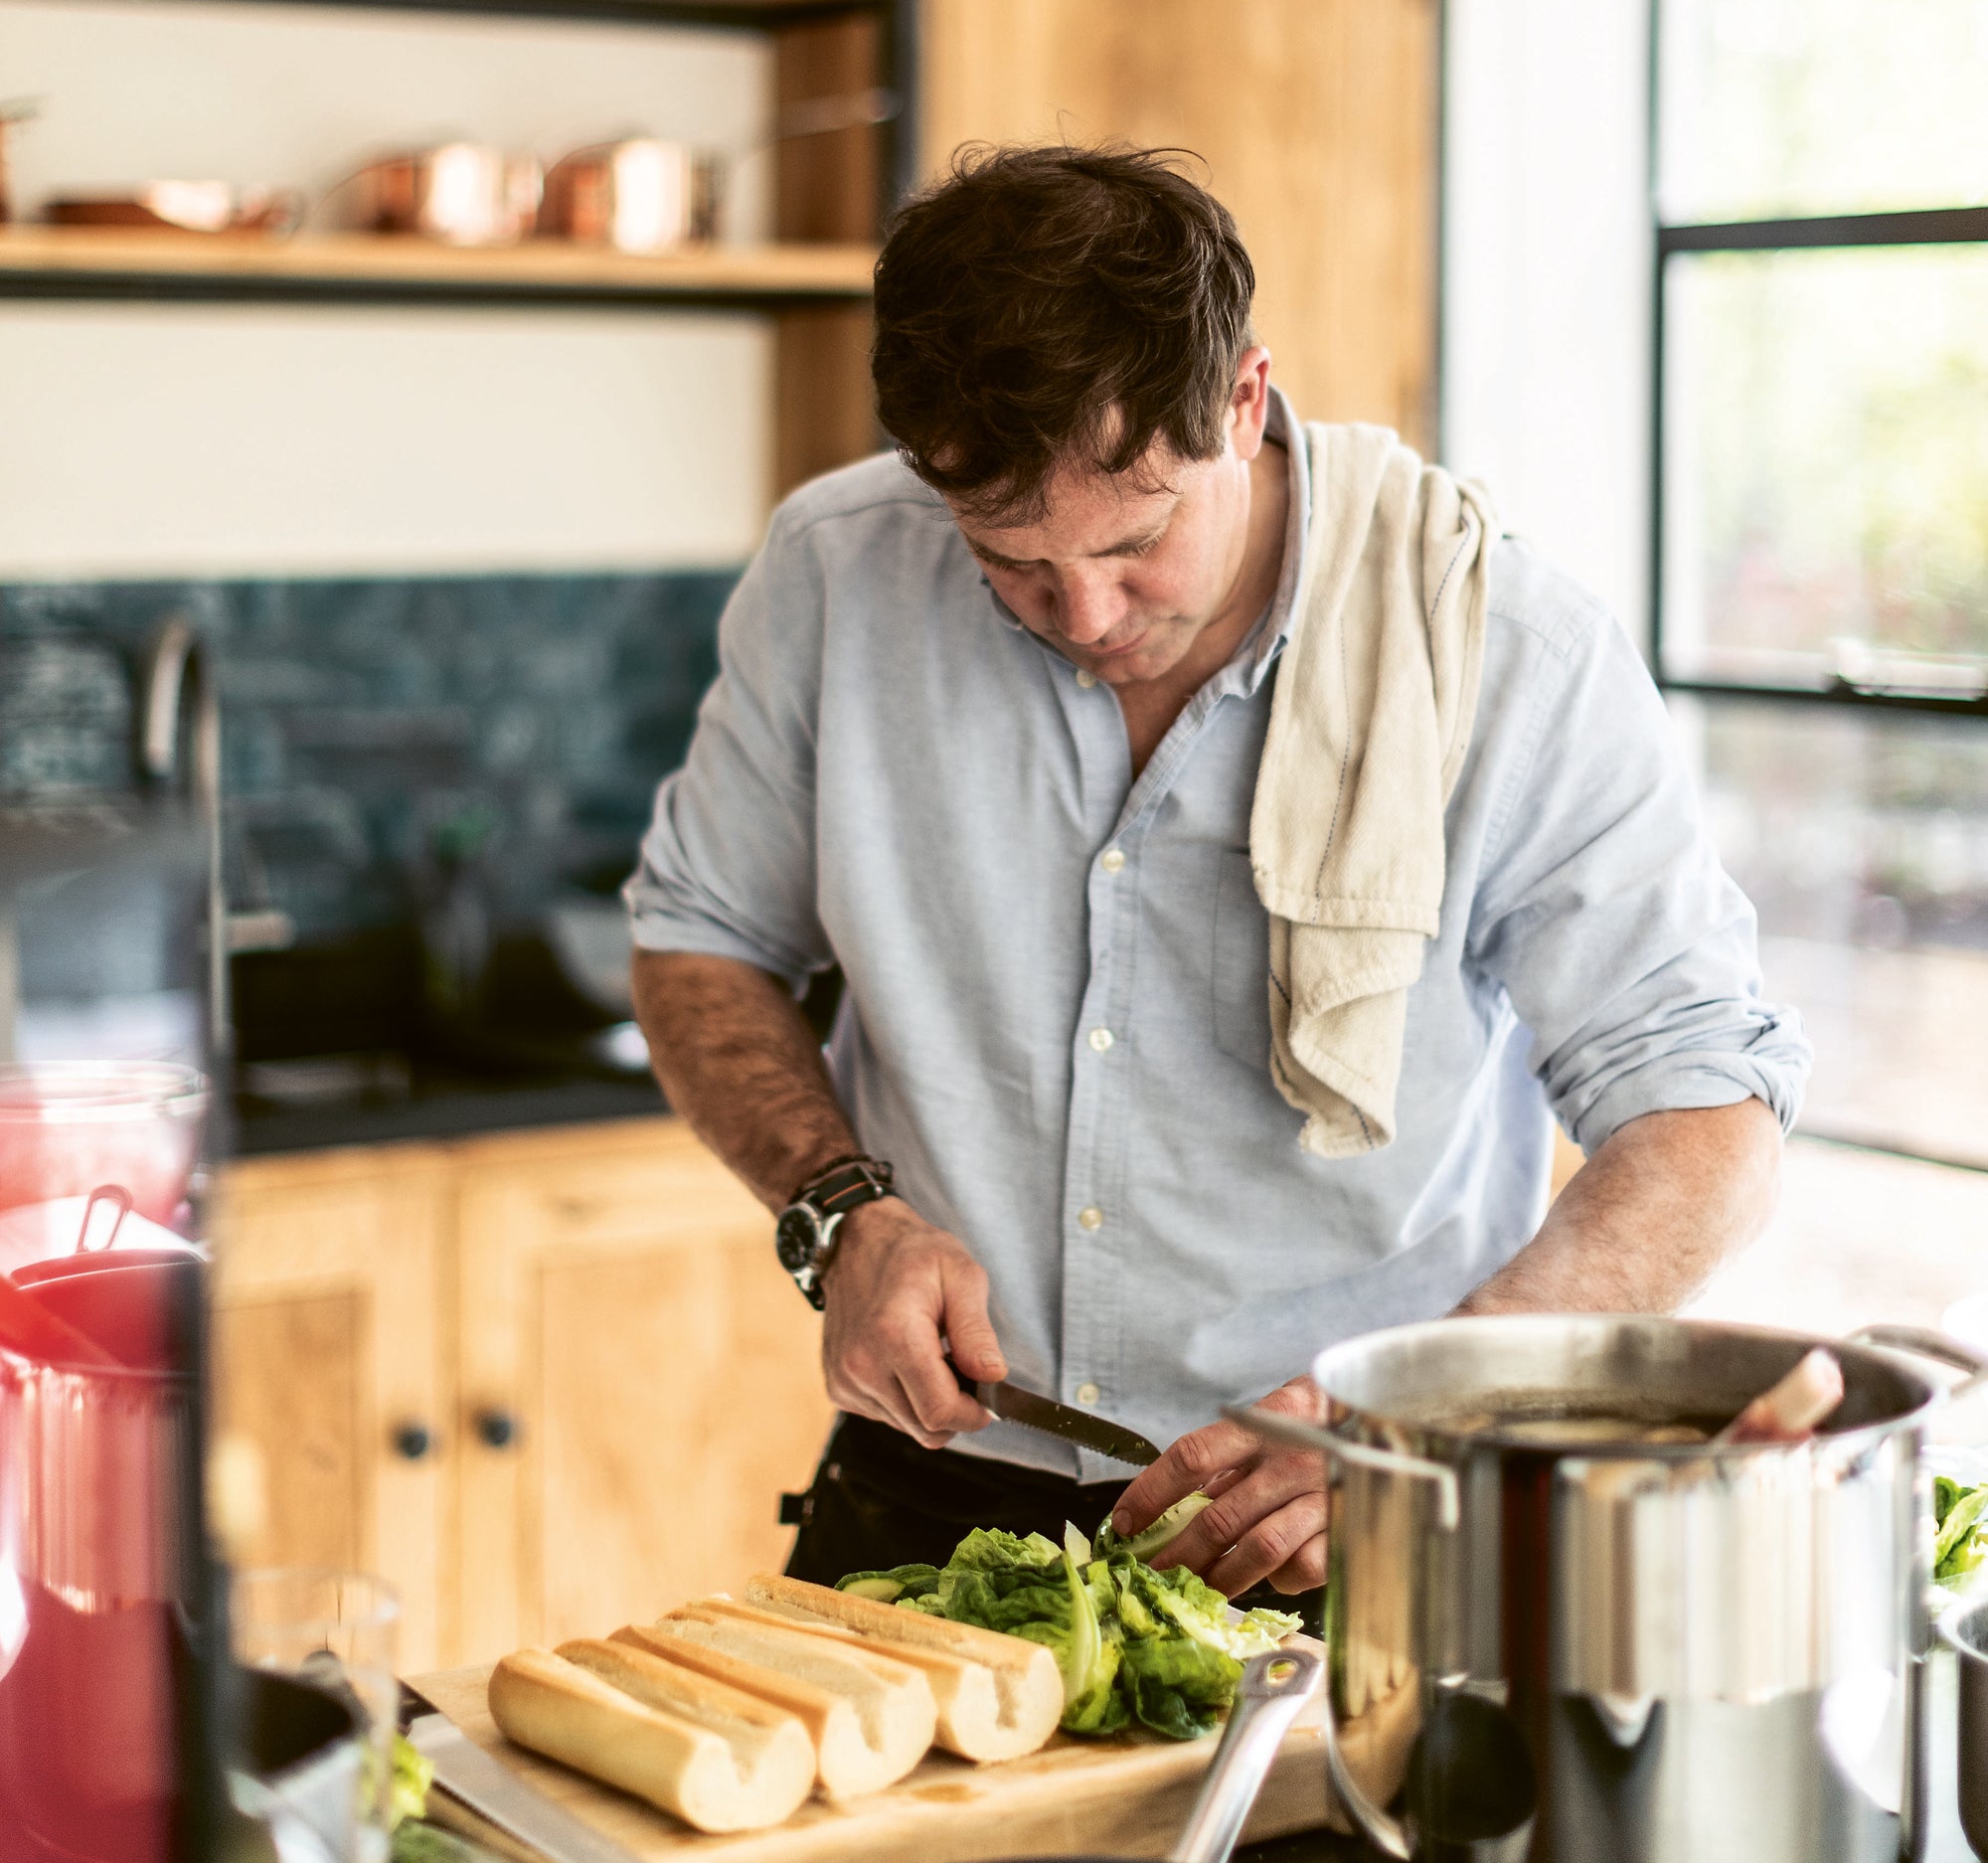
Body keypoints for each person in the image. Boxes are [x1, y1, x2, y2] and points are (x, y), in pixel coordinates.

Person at [627, 147, 1806, 1605]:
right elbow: (697, 943)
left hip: (1365, 1514)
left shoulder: (1514, 654)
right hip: (936, 1496)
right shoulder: (834, 572)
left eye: (1137, 540)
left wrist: (1431, 1403)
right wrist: (838, 1211)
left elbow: (1706, 1117)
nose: (1087, 615)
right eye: (1010, 562)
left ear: (1243, 401)